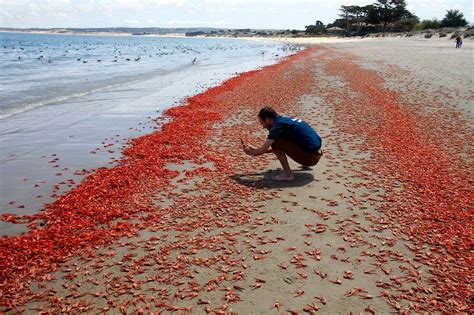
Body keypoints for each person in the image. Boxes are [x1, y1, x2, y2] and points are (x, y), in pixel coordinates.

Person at [242, 107, 323, 181]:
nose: (263, 126)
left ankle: (288, 174)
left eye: (262, 123)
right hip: (317, 152)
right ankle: (305, 164)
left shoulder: (278, 126)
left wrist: (251, 152)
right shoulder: (284, 119)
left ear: (267, 119)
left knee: (276, 143)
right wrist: (256, 149)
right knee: (281, 142)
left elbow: (263, 151)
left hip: (311, 158)